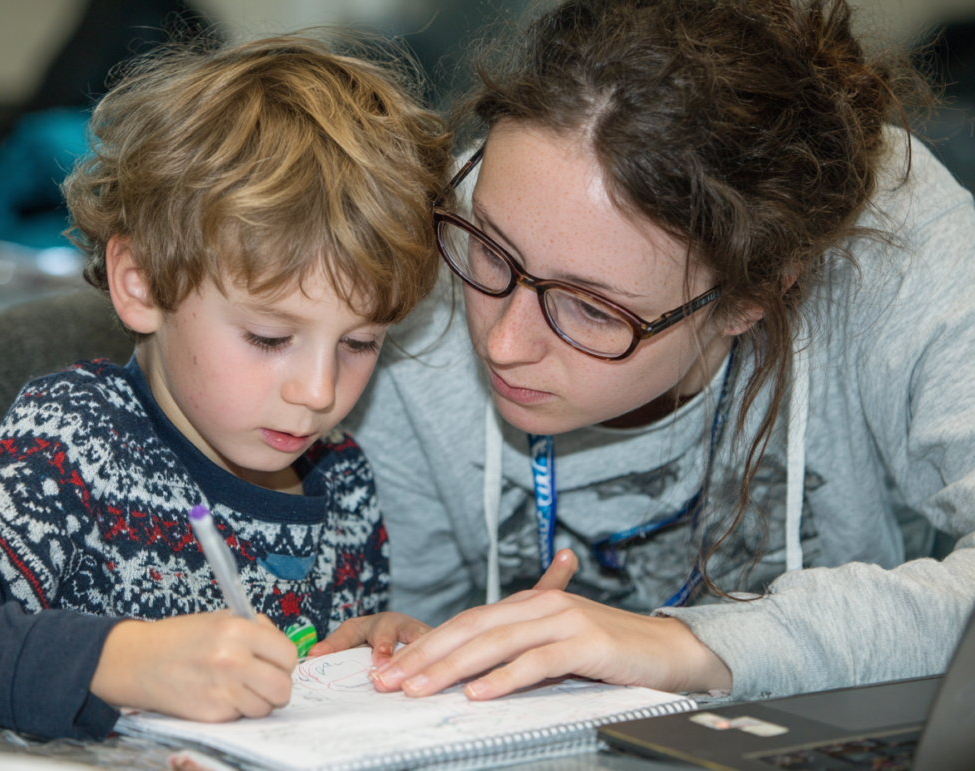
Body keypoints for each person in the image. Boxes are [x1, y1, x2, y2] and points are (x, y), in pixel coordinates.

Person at [323, 0, 975, 705]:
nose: (504, 345)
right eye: (491, 250)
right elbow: (407, 629)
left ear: (751, 298)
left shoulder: (895, 238)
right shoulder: (420, 253)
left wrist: (689, 647)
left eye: (593, 309)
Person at [0, 34, 450, 739]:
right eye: (269, 338)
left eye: (360, 343)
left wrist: (357, 650)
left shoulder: (343, 480)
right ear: (142, 283)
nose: (318, 392)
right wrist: (120, 660)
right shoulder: (74, 438)